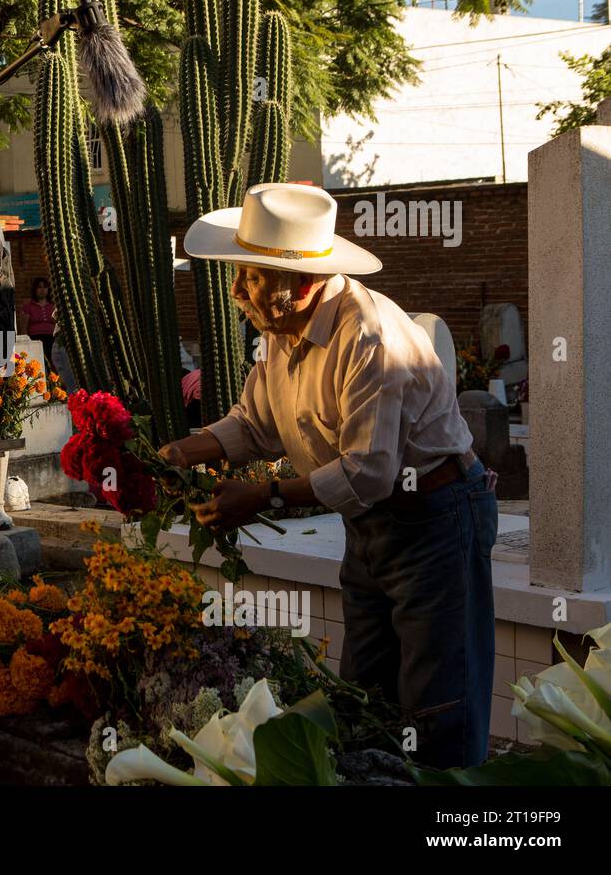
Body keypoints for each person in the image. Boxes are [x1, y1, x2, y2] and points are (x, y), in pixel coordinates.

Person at [159, 182, 497, 769]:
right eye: (240, 273)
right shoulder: (278, 329)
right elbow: (257, 423)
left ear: (305, 281)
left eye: (253, 277)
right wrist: (184, 453)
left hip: (436, 520)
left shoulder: (367, 335)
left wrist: (262, 493)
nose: (238, 290)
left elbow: (368, 472)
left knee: (441, 709)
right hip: (370, 528)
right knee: (363, 699)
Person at [19, 276, 57, 372]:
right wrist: (26, 342)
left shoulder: (53, 306)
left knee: (54, 365)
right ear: (35, 290)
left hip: (51, 339)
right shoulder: (28, 306)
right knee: (38, 365)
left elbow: (58, 324)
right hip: (35, 340)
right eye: (39, 287)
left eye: (45, 287)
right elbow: (24, 327)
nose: (42, 290)